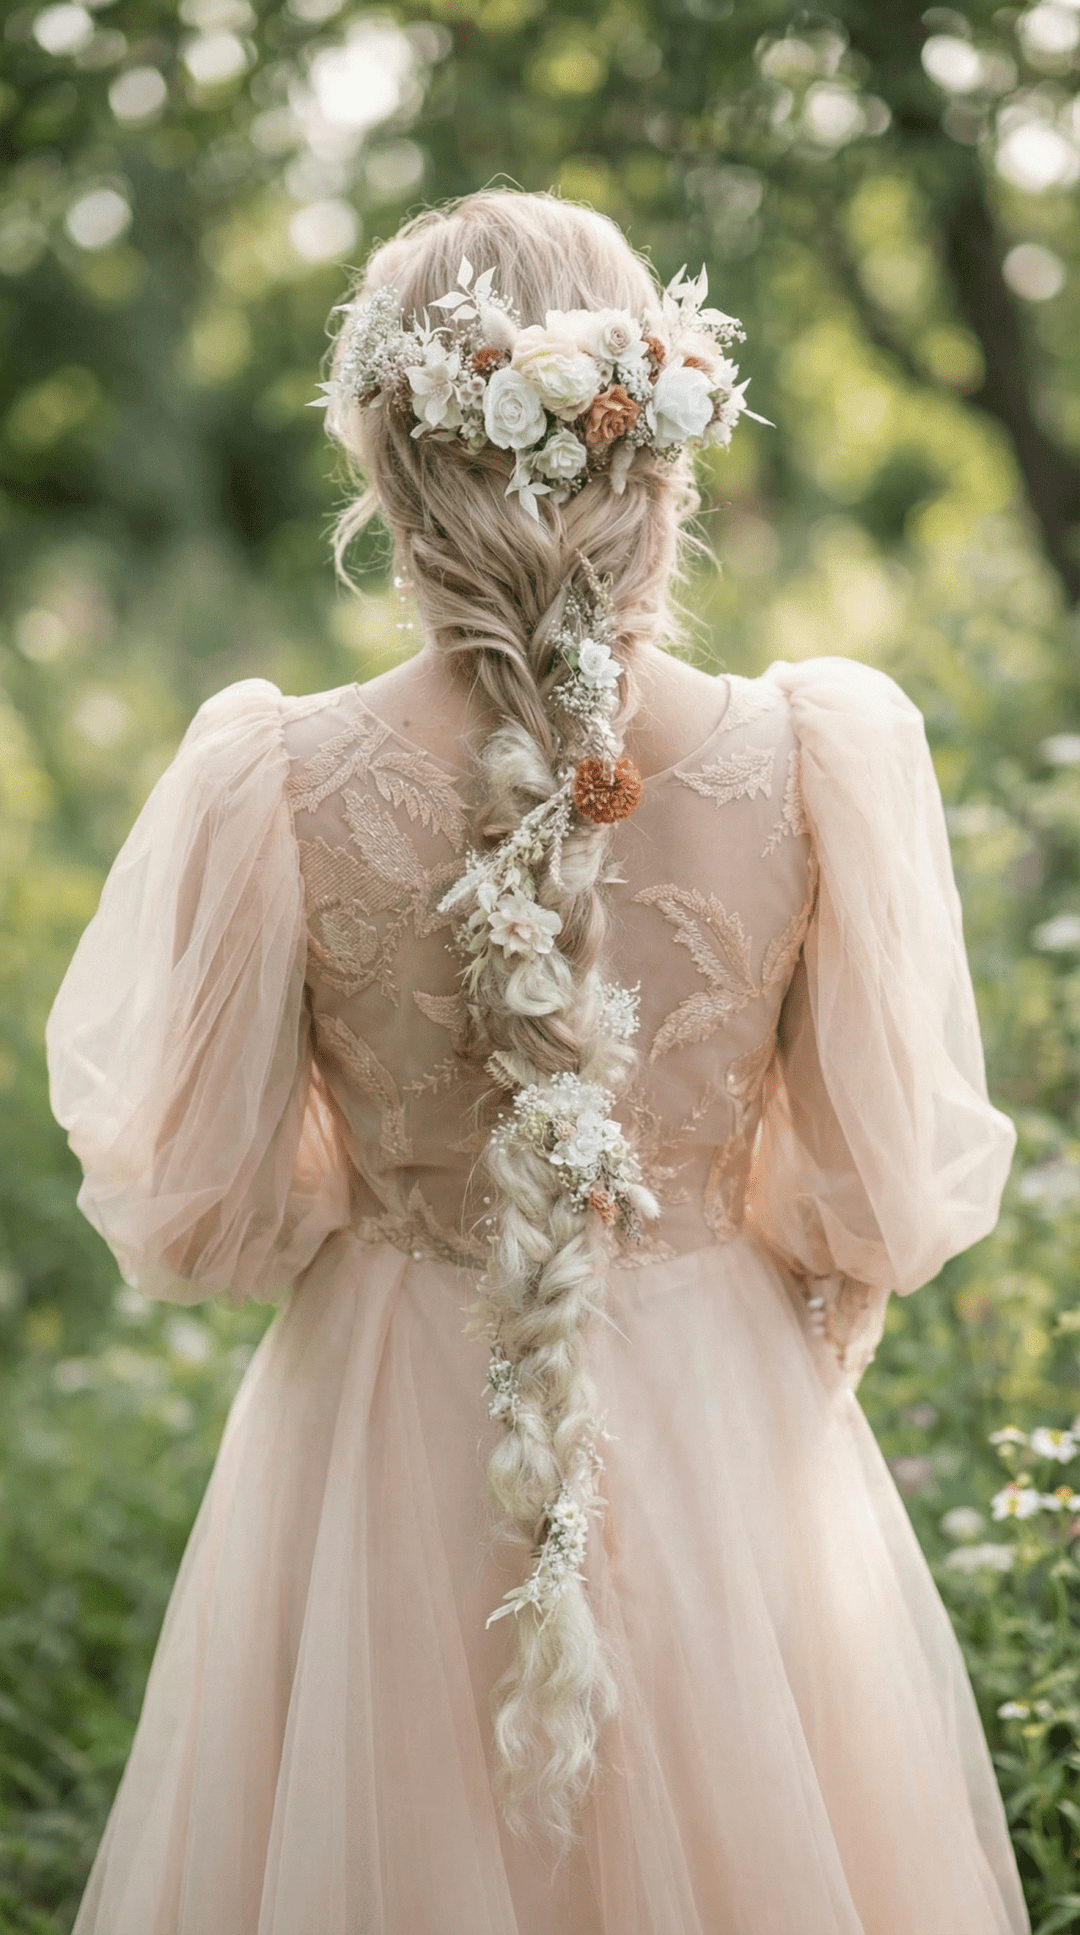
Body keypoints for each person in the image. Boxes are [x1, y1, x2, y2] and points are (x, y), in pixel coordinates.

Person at [46, 189, 1030, 1935]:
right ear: (657, 432)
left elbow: (198, 1216)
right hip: (717, 1401)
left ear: (387, 453)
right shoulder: (816, 760)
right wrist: (704, 1224)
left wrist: (402, 1174)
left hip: (384, 1422)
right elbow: (883, 1196)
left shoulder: (272, 783)